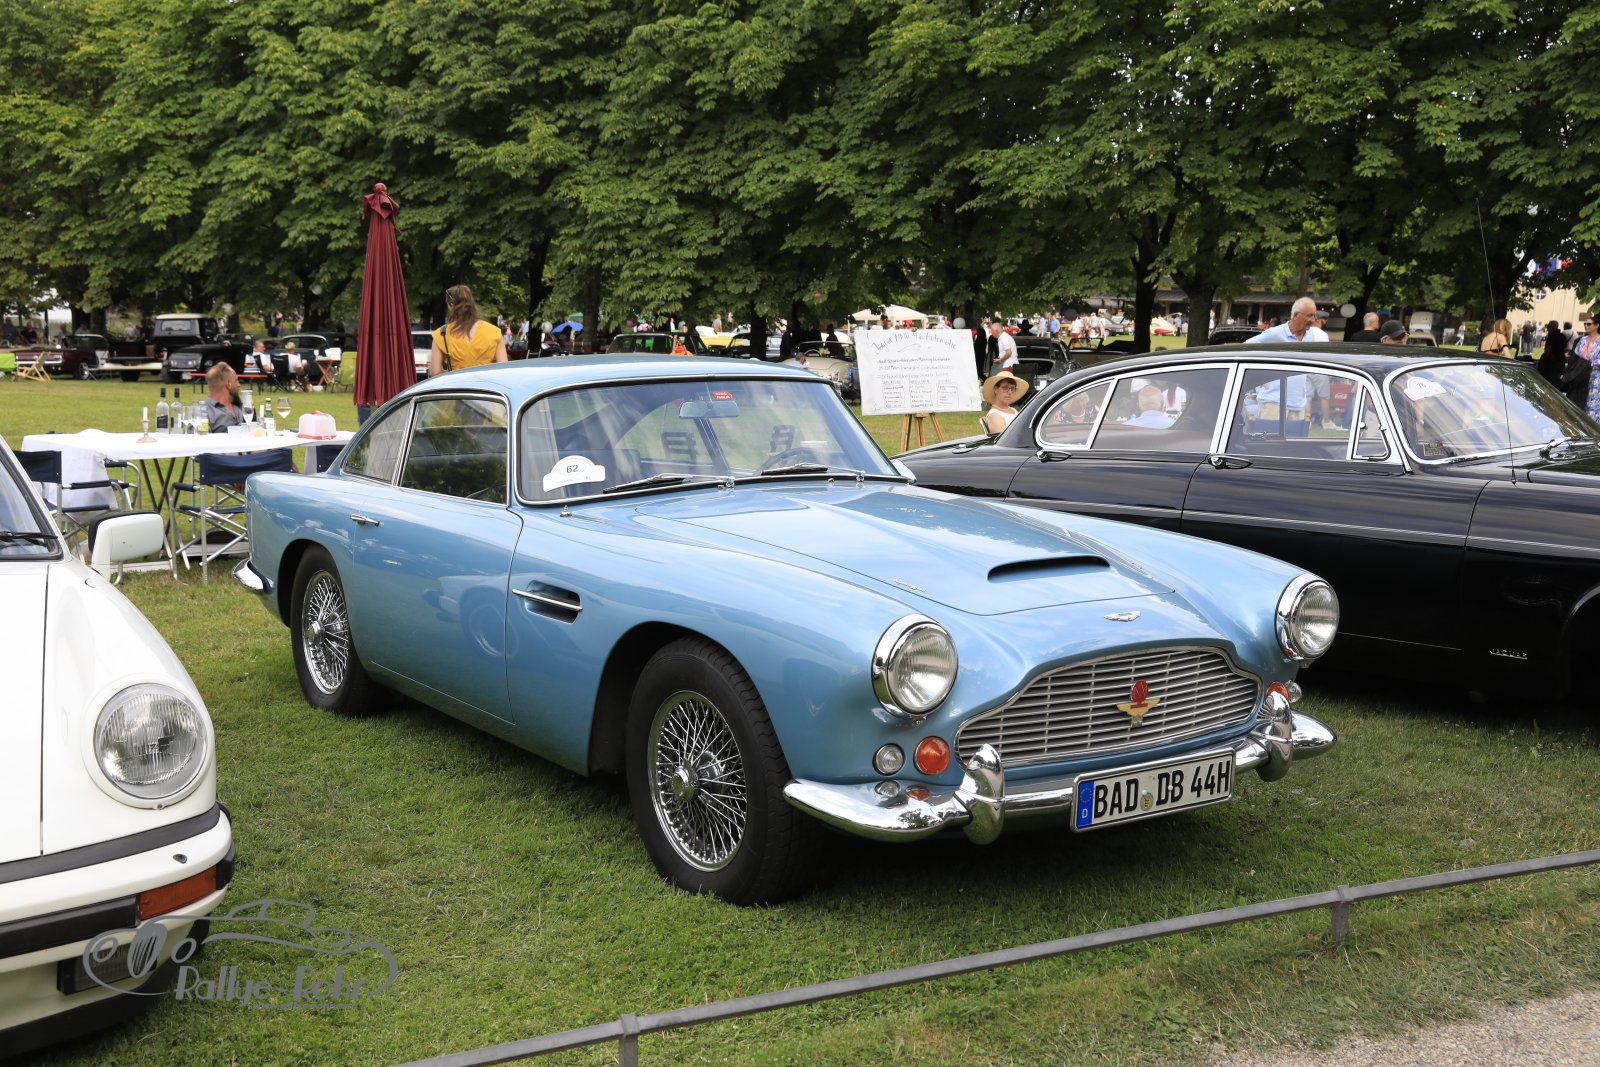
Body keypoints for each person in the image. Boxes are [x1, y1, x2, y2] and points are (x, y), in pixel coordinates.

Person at [429, 285, 509, 375]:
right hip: (485, 383)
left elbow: (434, 371)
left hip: (457, 383)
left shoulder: (441, 334)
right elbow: (503, 370)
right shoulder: (494, 332)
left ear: (451, 304)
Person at [1247, 298, 1328, 344]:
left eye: (1314, 316)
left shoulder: (1317, 335)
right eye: (1309, 316)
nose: (1313, 320)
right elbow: (1245, 348)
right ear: (1296, 315)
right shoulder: (1274, 334)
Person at [202, 363, 245, 432]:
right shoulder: (204, 413)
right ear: (229, 384)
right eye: (236, 380)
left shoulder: (241, 407)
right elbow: (198, 438)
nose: (239, 384)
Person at [1576, 318, 1600, 419]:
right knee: (1579, 403)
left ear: (1597, 325)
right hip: (1581, 377)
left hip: (1596, 378)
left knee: (1593, 407)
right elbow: (1576, 355)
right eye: (1585, 324)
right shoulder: (1582, 340)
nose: (1586, 326)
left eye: (1589, 324)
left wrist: (1591, 363)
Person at [1537, 320, 1567, 388]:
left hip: (1552, 361)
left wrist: (1543, 359)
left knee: (1549, 380)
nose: (1547, 328)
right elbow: (1564, 348)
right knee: (1556, 379)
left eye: (1548, 326)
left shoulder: (1551, 336)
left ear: (1551, 327)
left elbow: (1548, 349)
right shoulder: (1562, 336)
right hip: (1561, 360)